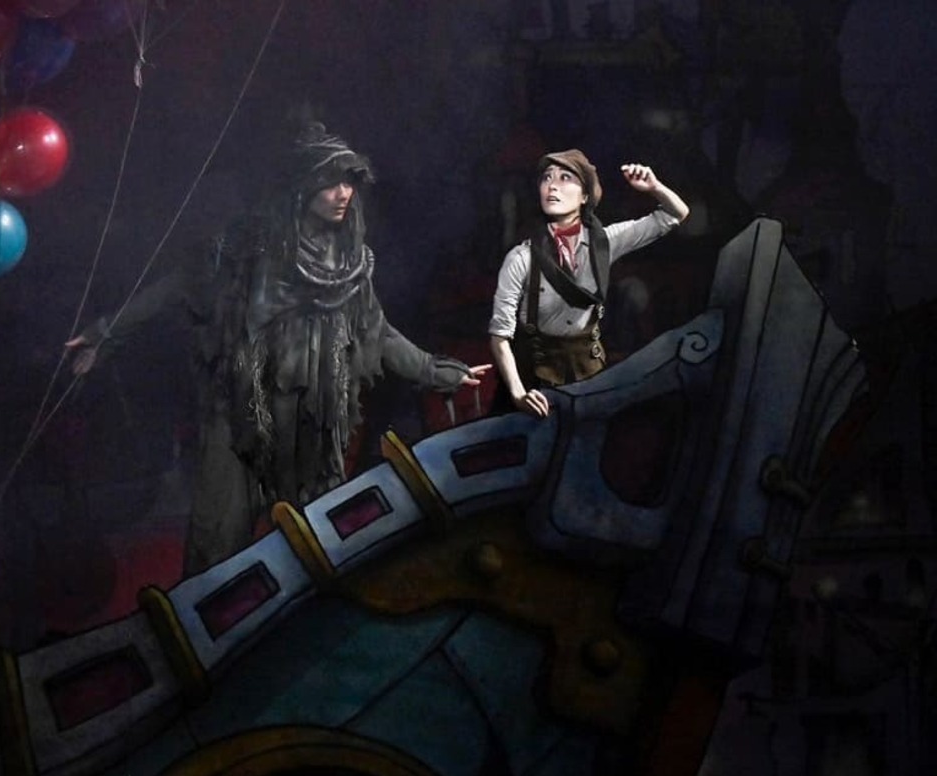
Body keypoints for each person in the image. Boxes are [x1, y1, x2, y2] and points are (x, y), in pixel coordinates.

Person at [66, 121, 489, 574]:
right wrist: (105, 332)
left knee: (313, 543)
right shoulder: (251, 247)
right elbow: (178, 284)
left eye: (349, 182)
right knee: (219, 540)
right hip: (242, 411)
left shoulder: (348, 262)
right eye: (331, 182)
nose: (343, 193)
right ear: (304, 187)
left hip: (311, 415)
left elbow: (378, 333)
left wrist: (439, 371)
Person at [488, 149, 689, 418]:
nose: (552, 185)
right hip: (536, 385)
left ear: (585, 196)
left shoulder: (605, 242)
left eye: (565, 177)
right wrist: (518, 394)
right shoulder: (521, 258)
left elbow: (675, 214)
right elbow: (500, 336)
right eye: (547, 178)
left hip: (591, 378)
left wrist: (654, 187)